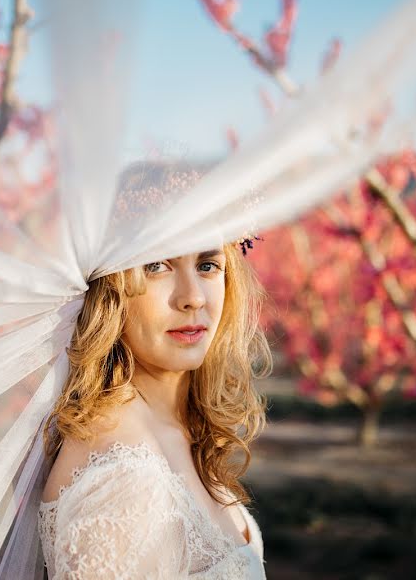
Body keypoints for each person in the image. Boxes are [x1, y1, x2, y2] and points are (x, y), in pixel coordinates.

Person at [37, 241, 272, 578]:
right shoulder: (123, 480)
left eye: (207, 265)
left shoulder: (177, 427)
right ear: (110, 288)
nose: (193, 297)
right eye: (157, 266)